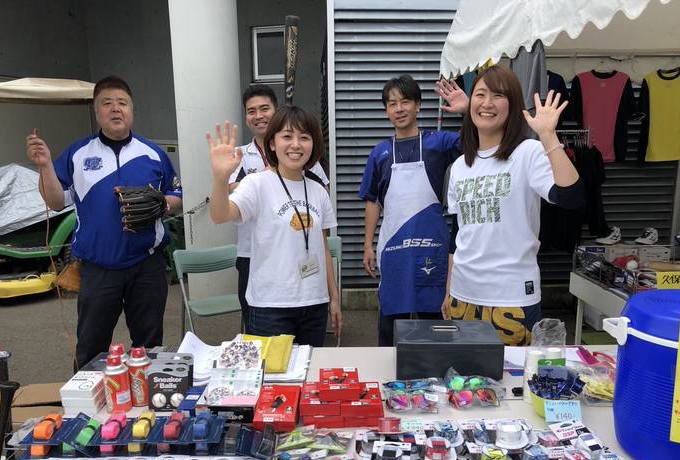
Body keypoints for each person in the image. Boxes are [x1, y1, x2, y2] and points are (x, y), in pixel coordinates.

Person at [26, 75, 183, 368]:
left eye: (122, 103)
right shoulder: (78, 153)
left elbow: (176, 195)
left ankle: (144, 395)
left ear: (132, 110)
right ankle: (87, 396)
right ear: (96, 111)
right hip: (99, 268)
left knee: (149, 346)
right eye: (107, 103)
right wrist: (45, 166)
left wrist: (162, 204)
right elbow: (56, 201)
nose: (115, 108)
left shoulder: (153, 153)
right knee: (91, 347)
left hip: (146, 265)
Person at [441, 65, 583, 345]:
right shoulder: (460, 166)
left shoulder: (528, 152)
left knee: (511, 372)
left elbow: (571, 197)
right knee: (465, 372)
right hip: (463, 295)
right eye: (480, 95)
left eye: (498, 96)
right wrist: (448, 290)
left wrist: (548, 136)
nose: (487, 102)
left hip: (512, 299)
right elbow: (457, 235)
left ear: (514, 105)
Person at [208, 106, 342, 346]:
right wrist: (220, 178)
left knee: (308, 368)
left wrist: (333, 298)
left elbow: (323, 247)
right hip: (270, 306)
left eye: (304, 137)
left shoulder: (318, 191)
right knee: (271, 370)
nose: (295, 145)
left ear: (313, 144)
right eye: (287, 136)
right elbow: (220, 215)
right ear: (272, 143)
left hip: (314, 303)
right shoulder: (256, 184)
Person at [359, 74, 461, 346]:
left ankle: (436, 367)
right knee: (391, 317)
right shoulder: (379, 153)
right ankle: (388, 365)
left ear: (418, 105)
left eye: (405, 101)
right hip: (393, 246)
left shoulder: (438, 143)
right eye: (392, 104)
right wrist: (367, 245)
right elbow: (372, 201)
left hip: (432, 245)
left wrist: (466, 110)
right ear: (386, 111)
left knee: (434, 316)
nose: (399, 109)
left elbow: (476, 143)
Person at [228, 84, 330, 329]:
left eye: (264, 109)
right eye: (251, 111)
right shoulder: (239, 155)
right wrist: (270, 176)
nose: (259, 115)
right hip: (253, 253)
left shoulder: (302, 151)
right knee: (258, 322)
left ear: (276, 111)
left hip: (298, 249)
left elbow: (320, 192)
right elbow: (233, 192)